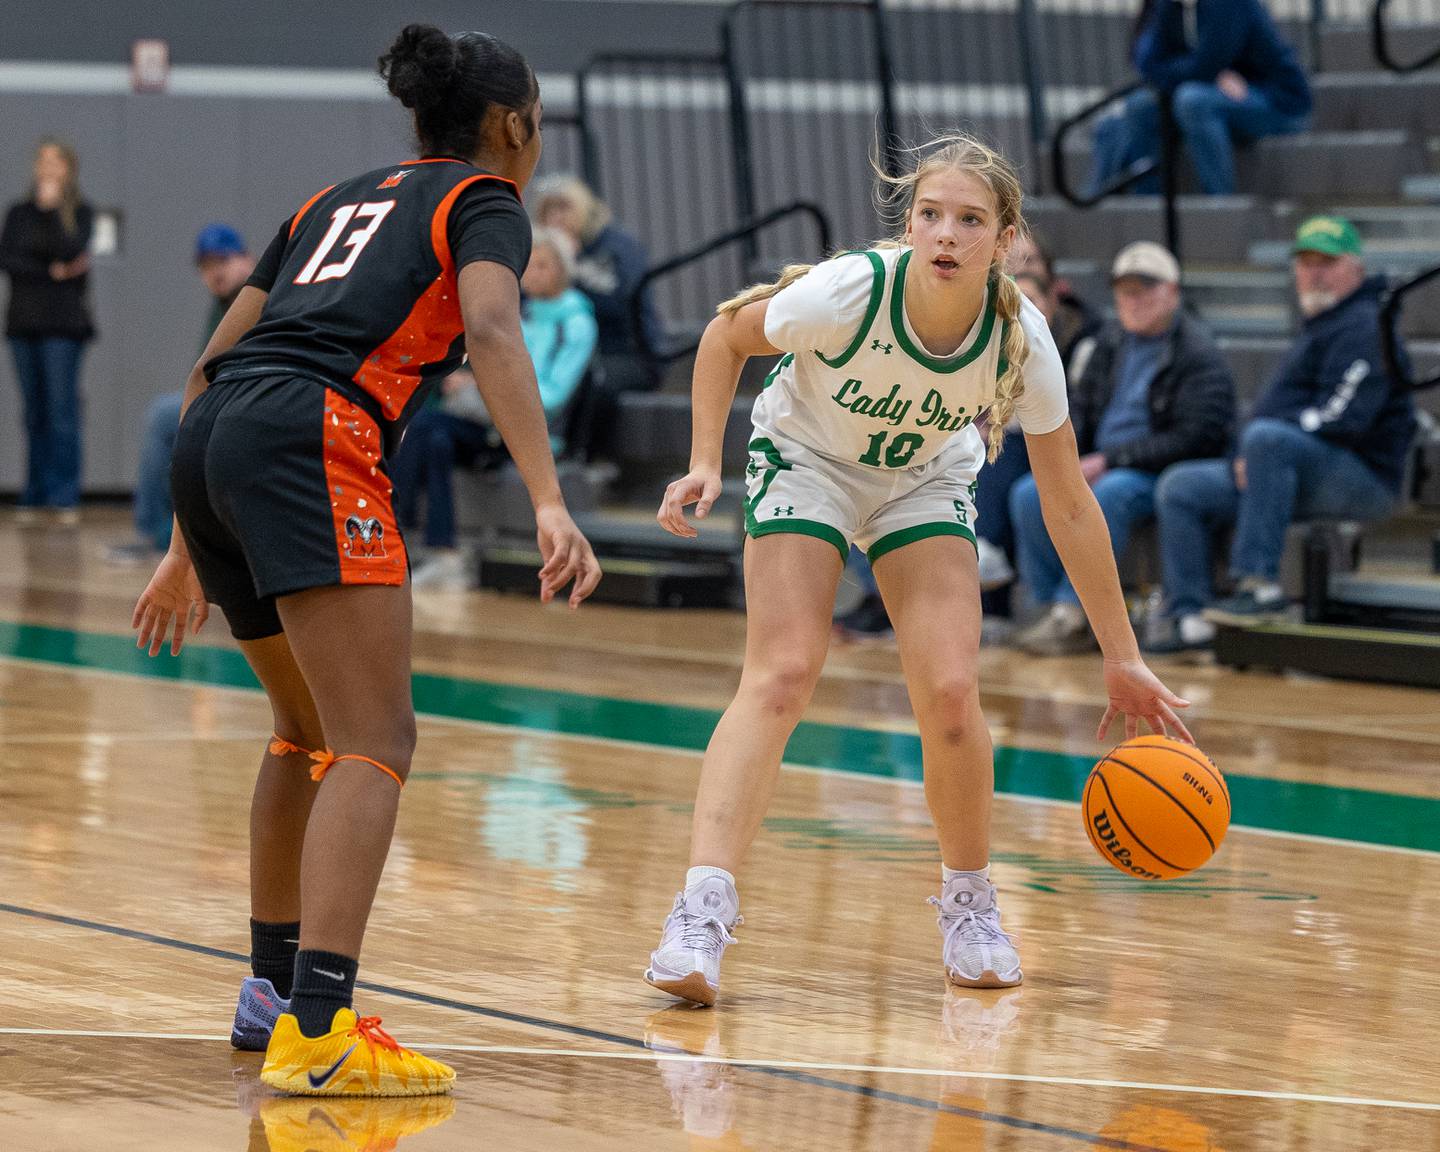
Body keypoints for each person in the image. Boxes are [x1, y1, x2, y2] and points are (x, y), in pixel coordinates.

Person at [131, 24, 600, 1096]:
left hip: (219, 437)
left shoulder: (331, 198)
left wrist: (183, 541)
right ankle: (322, 1029)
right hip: (314, 434)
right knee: (376, 739)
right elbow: (491, 326)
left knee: (303, 731)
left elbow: (212, 363)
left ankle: (270, 993)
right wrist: (546, 498)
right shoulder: (485, 201)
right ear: (512, 126)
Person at [645, 134, 1191, 1007]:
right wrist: (706, 458)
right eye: (930, 214)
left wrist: (1121, 654)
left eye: (970, 220)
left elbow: (1070, 506)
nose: (945, 233)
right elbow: (725, 334)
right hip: (808, 459)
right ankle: (699, 914)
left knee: (949, 694)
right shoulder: (850, 290)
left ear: (1006, 239)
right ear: (910, 224)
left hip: (921, 480)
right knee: (783, 672)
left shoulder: (1022, 341)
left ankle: (972, 906)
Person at [1148, 216, 1416, 651]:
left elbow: (1343, 417)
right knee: (1182, 486)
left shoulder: (1367, 324)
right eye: (1305, 262)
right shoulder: (1321, 323)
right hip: (1292, 468)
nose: (1313, 273)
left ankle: (1261, 587)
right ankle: (1190, 617)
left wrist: (1259, 447)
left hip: (1365, 477)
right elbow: (1271, 413)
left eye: (1326, 262)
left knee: (1269, 439)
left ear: (1356, 269)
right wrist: (1246, 452)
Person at [1011, 242, 1235, 656]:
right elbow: (1076, 404)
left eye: (1145, 290)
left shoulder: (1198, 352)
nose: (1134, 301)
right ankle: (1047, 607)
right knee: (1029, 491)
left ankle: (1074, 612)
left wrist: (1110, 460)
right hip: (1105, 461)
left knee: (1109, 494)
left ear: (1172, 291)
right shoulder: (1109, 343)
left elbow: (1196, 436)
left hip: (1158, 469)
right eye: (1125, 291)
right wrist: (1070, 456)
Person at [393, 226, 598, 588]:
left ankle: (392, 532)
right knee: (434, 438)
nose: (529, 272)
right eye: (528, 264)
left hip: (533, 433)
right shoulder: (520, 313)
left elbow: (551, 397)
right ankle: (440, 552)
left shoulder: (577, 323)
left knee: (425, 426)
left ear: (562, 271)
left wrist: (478, 387)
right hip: (490, 422)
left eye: (542, 265)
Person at [105, 224, 256, 564]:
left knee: (163, 415)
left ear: (247, 259)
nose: (213, 272)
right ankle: (161, 536)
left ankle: (156, 536)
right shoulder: (222, 304)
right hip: (224, 399)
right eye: (205, 266)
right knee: (169, 417)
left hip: (250, 400)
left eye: (222, 260)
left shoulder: (257, 298)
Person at [1089, 0, 1311, 197]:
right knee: (1140, 106)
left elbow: (1205, 64)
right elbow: (1149, 65)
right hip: (1217, 95)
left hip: (1274, 101)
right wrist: (1208, 74)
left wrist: (1200, 72)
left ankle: (1219, 201)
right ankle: (1150, 202)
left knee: (1192, 100)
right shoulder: (1170, 6)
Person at [531, 174, 663, 459]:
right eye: (548, 210)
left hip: (629, 352)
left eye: (563, 208)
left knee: (592, 379)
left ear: (582, 208)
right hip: (570, 346)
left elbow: (621, 303)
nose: (556, 218)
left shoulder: (615, 245)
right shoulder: (544, 250)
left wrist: (569, 266)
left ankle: (584, 458)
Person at [1, 138, 94, 525]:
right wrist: (50, 271)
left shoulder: (81, 212)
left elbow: (72, 251)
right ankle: (34, 492)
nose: (48, 167)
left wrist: (53, 210)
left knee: (61, 411)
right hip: (23, 323)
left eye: (56, 161)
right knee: (33, 412)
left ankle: (64, 494)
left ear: (69, 168)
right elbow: (9, 259)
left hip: (63, 326)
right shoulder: (19, 212)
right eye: (43, 160)